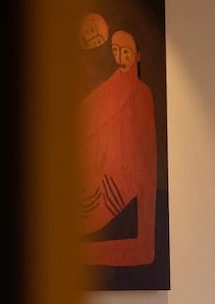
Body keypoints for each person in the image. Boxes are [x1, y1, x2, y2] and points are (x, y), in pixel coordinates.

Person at [79, 27, 157, 267]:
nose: (120, 57)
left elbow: (146, 160)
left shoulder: (142, 94)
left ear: (138, 55)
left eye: (126, 52)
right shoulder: (108, 88)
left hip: (117, 190)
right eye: (115, 50)